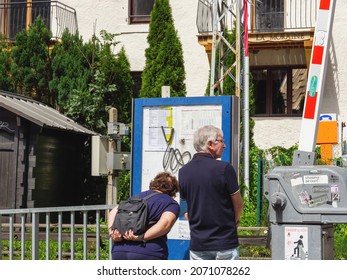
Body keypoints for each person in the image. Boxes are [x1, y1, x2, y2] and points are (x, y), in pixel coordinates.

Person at [178, 125, 243, 260]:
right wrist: (234, 222)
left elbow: (187, 207)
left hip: (198, 244)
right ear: (210, 144)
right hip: (225, 242)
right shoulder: (225, 169)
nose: (224, 145)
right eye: (221, 141)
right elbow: (238, 204)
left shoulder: (183, 172)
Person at [108, 171, 180, 260]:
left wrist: (113, 232)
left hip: (119, 251)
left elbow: (113, 212)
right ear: (173, 190)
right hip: (148, 253)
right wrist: (141, 237)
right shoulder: (170, 203)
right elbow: (165, 223)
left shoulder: (135, 198)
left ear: (154, 184)